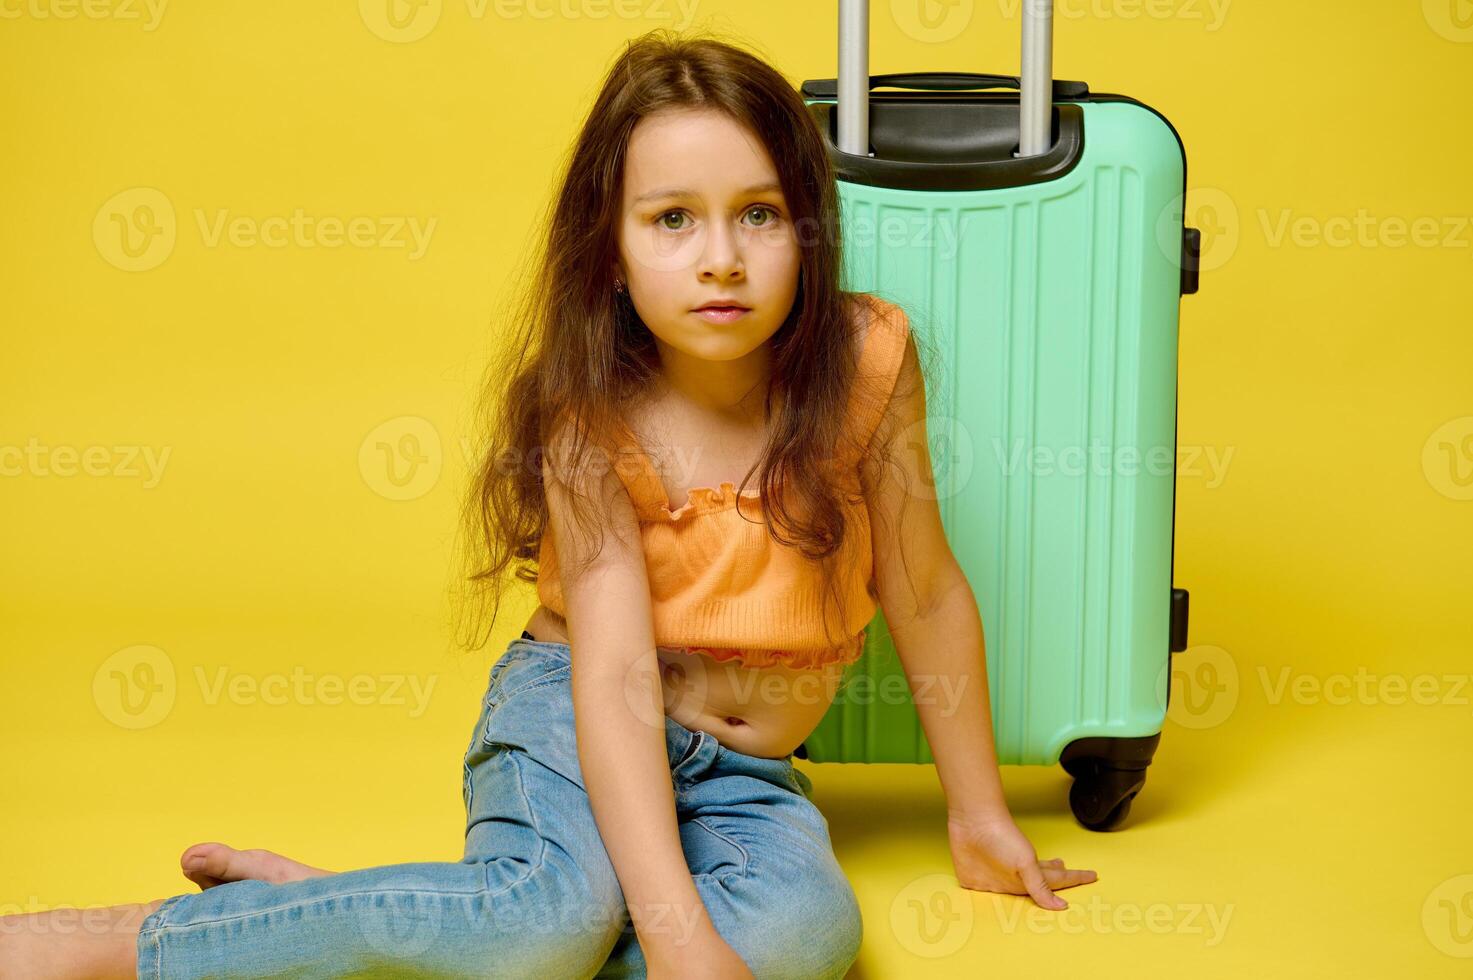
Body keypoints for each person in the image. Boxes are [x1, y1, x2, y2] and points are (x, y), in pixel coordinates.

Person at [0, 29, 1096, 980]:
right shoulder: (589, 412)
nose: (720, 259)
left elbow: (924, 585)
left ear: (809, 230)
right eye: (672, 220)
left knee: (806, 933)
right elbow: (613, 681)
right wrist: (670, 939)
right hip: (575, 718)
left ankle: (384, 925)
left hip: (749, 773)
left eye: (759, 214)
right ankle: (135, 942)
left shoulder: (866, 360)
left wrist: (979, 810)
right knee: (553, 918)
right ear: (612, 254)